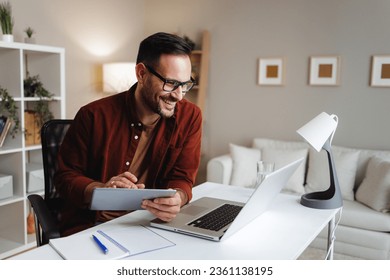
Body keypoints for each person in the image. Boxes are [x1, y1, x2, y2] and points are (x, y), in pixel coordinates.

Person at [54, 32, 202, 236]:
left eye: (185, 85)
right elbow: (65, 178)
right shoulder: (93, 115)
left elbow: (183, 177)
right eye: (171, 83)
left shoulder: (191, 116)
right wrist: (101, 189)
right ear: (141, 74)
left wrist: (177, 197)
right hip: (94, 227)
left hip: (152, 224)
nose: (178, 95)